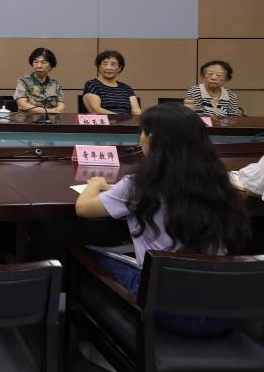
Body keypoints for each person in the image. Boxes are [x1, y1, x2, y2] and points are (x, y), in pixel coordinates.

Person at [75, 103, 249, 337]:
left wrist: (95, 184)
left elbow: (83, 208)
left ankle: (91, 339)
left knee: (86, 255)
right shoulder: (220, 182)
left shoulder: (139, 185)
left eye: (142, 132)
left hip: (169, 312)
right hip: (224, 312)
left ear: (152, 138)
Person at [82, 50, 141, 115]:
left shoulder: (126, 88)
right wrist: (119, 118)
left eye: (113, 64)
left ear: (119, 68)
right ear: (99, 67)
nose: (109, 68)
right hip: (105, 121)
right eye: (105, 64)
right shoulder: (92, 84)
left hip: (127, 121)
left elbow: (137, 112)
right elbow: (95, 110)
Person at [14, 47, 65, 113]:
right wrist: (48, 111)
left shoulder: (55, 84)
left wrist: (55, 111)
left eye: (43, 62)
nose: (39, 66)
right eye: (36, 62)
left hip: (51, 119)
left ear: (50, 66)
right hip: (28, 119)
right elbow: (22, 105)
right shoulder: (23, 82)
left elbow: (61, 107)